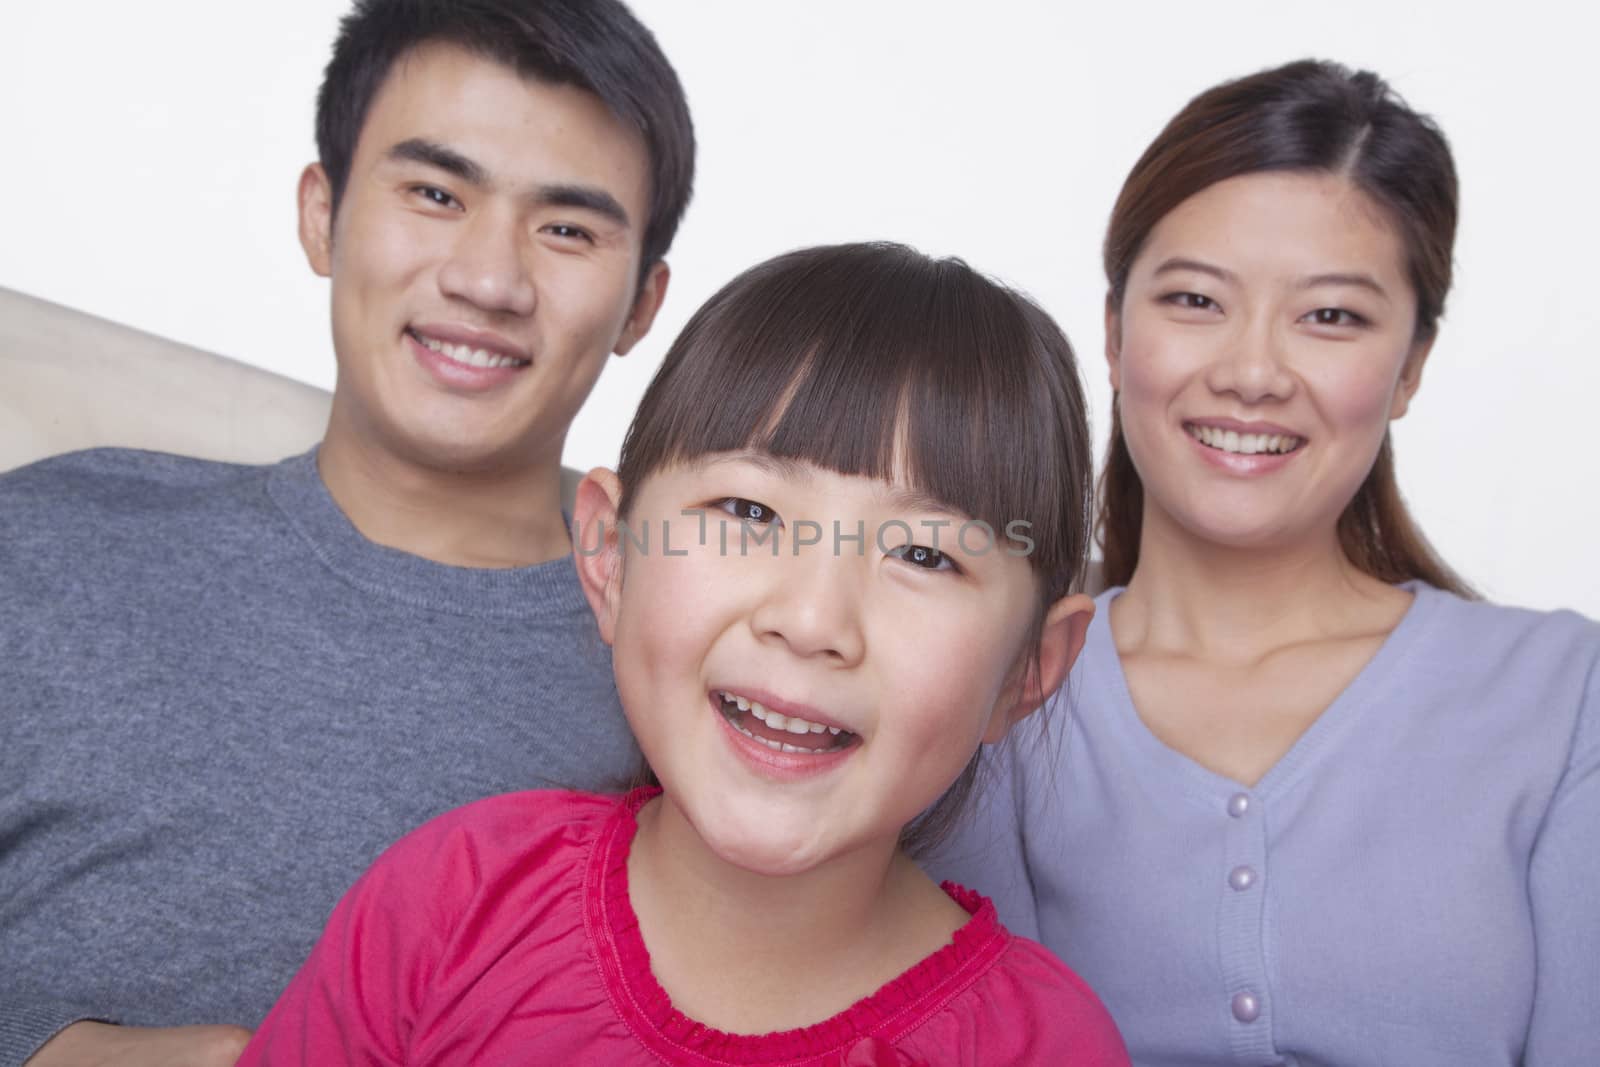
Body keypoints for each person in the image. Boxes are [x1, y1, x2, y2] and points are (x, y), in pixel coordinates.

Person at [232, 242, 1130, 1066]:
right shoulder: (456, 897)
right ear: (611, 557)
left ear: (1030, 668)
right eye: (748, 513)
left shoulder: (1042, 1046)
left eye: (925, 554)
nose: (811, 617)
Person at [0, 2, 693, 1065]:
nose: (488, 280)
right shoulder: (49, 539)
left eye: (566, 229)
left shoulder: (688, 665)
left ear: (642, 303)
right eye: (434, 192)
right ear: (322, 214)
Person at [932, 59, 1600, 1065]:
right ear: (1113, 336)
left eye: (1330, 315)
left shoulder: (1562, 697)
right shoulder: (994, 689)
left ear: (1410, 366)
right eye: (1195, 299)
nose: (1250, 372)